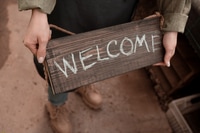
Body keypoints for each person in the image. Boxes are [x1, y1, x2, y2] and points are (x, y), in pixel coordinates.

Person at [18, 0, 191, 133]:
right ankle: (56, 103)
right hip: (69, 6)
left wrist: (172, 21)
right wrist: (39, 10)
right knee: (61, 64)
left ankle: (84, 83)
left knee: (99, 55)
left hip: (116, 8)